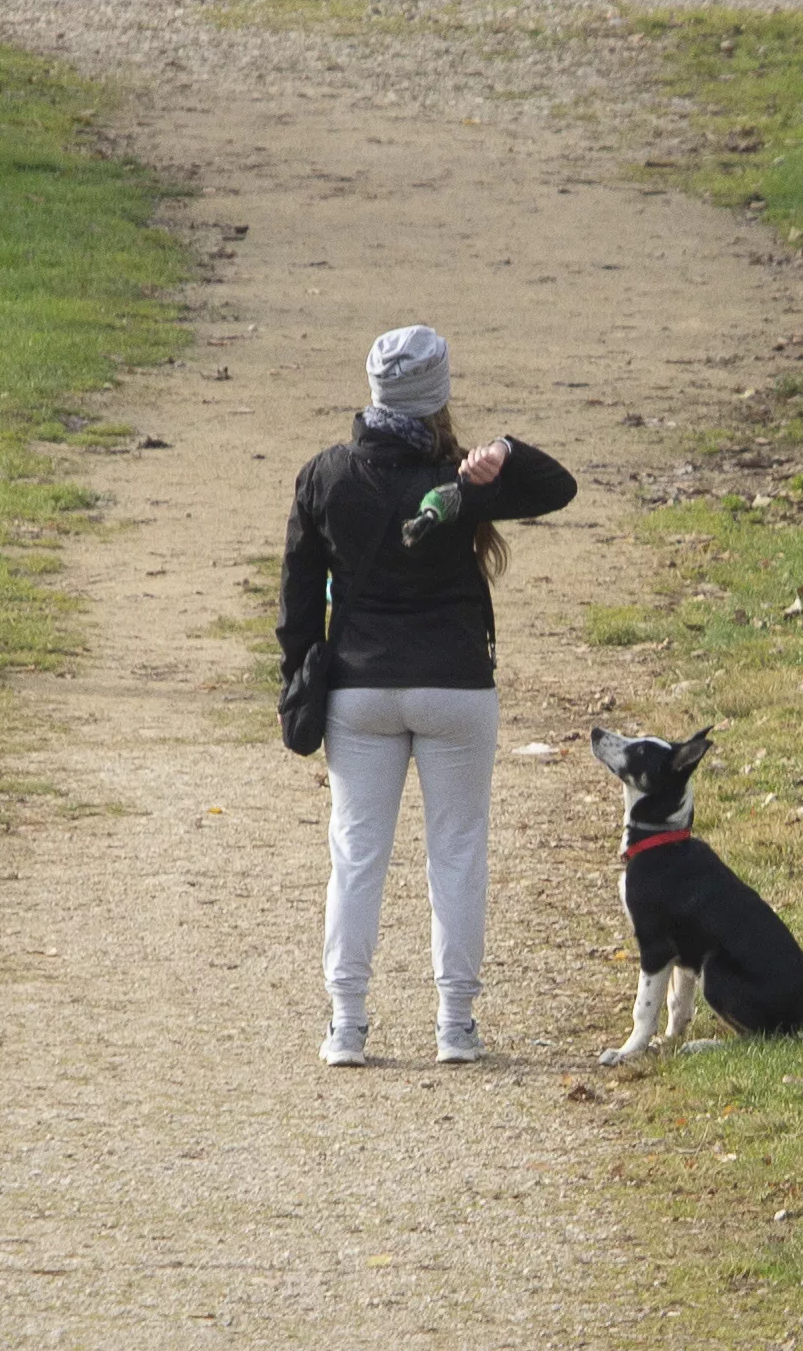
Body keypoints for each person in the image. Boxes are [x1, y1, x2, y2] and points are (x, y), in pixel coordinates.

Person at [278, 325, 577, 1067]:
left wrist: (298, 678)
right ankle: (455, 1024)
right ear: (438, 394)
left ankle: (345, 1023)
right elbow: (558, 489)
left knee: (355, 854)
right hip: (455, 689)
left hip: (359, 689)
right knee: (457, 850)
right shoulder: (460, 484)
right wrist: (505, 449)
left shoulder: (324, 475)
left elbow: (293, 601)